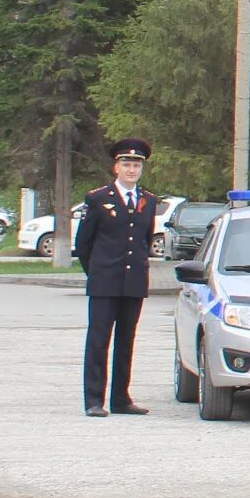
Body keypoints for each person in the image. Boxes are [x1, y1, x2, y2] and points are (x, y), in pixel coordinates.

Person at [74, 138, 160, 418]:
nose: (131, 170)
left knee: (127, 341)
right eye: (126, 164)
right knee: (98, 341)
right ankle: (94, 400)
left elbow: (145, 241)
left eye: (136, 165)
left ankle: (121, 398)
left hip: (133, 281)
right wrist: (98, 271)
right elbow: (84, 244)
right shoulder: (98, 198)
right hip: (104, 281)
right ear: (116, 167)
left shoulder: (148, 201)